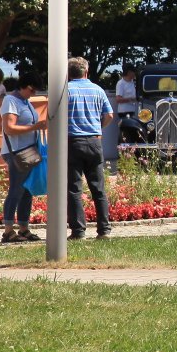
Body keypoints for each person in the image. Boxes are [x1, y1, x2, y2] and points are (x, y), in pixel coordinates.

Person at [64, 56, 115, 239]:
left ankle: (78, 231)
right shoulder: (98, 90)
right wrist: (98, 128)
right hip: (94, 141)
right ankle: (104, 229)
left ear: (69, 73)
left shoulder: (66, 91)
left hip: (72, 141)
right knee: (98, 188)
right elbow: (109, 114)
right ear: (86, 71)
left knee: (74, 189)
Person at [0, 71, 46, 244]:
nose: (34, 94)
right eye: (32, 90)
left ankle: (24, 228)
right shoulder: (10, 101)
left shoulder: (25, 102)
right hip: (18, 152)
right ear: (24, 86)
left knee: (27, 191)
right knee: (16, 190)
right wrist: (35, 127)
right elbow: (9, 128)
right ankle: (8, 230)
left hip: (29, 152)